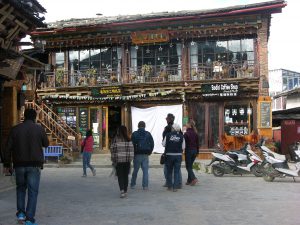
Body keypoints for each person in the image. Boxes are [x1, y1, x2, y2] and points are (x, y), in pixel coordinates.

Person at [3, 108, 49, 225]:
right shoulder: (39, 129)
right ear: (34, 117)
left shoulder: (15, 129)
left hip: (19, 165)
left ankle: (21, 214)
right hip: (34, 165)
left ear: (24, 116)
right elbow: (46, 144)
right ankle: (29, 219)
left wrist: (7, 163)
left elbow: (7, 148)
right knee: (33, 192)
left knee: (20, 189)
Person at [110, 125, 134, 198]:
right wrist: (130, 159)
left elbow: (112, 150)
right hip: (127, 161)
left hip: (118, 161)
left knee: (120, 176)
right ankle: (125, 190)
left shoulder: (115, 139)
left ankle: (122, 191)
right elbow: (132, 150)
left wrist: (113, 160)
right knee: (125, 176)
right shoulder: (129, 139)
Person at [130, 121, 154, 190]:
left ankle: (133, 184)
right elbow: (152, 143)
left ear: (138, 126)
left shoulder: (134, 134)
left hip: (137, 154)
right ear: (144, 126)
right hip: (145, 154)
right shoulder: (148, 134)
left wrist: (132, 153)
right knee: (145, 171)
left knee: (135, 170)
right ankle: (145, 186)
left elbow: (131, 144)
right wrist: (150, 151)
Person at [162, 123, 185, 192]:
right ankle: (175, 187)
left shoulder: (168, 135)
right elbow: (183, 147)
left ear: (173, 128)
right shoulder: (181, 136)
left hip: (169, 155)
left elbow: (163, 144)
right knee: (177, 172)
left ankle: (170, 186)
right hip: (178, 156)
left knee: (169, 171)